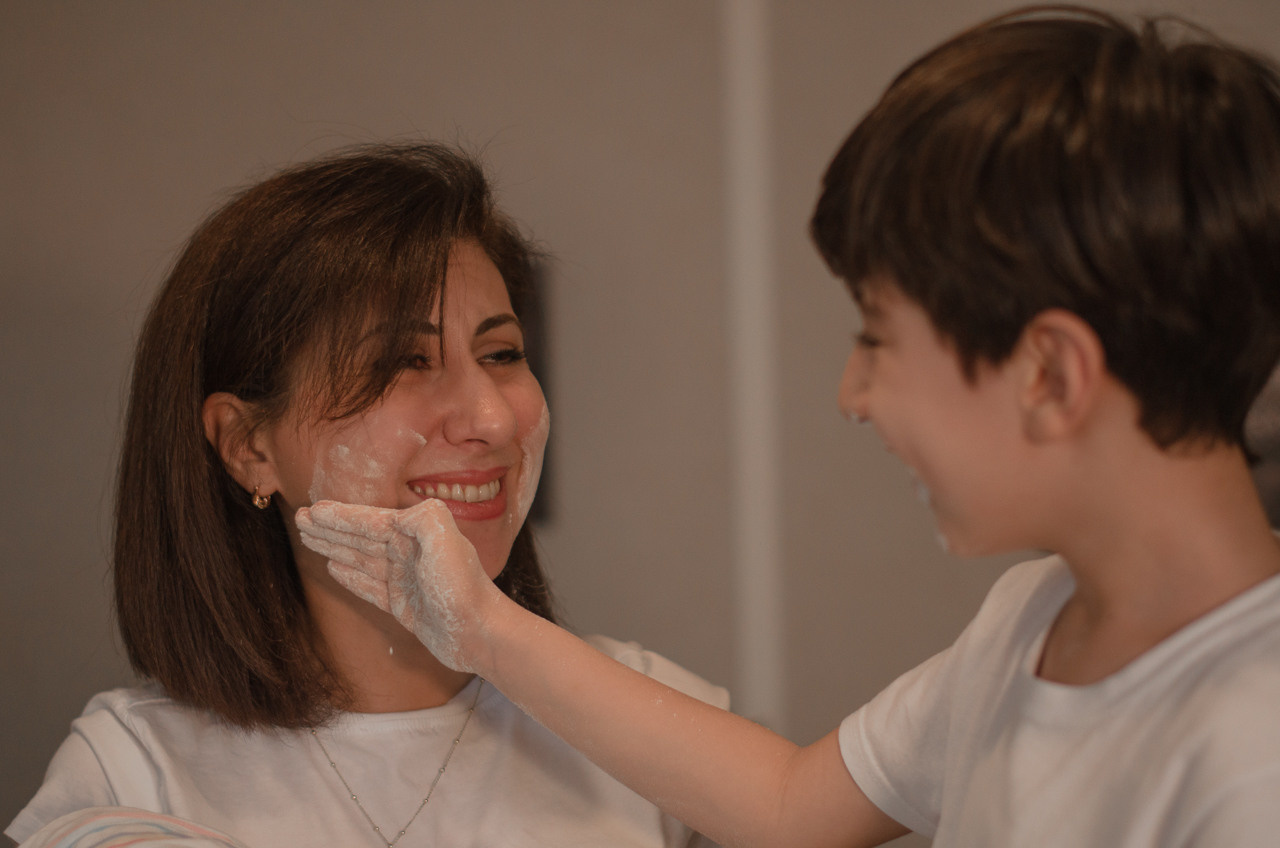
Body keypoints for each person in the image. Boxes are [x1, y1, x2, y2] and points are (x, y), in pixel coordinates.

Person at [296, 6, 1280, 847]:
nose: (852, 394)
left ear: (1049, 372)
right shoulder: (1033, 616)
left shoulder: (1248, 748)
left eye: (877, 338)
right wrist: (481, 627)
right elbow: (786, 802)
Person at [5, 143, 727, 848]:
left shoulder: (665, 723)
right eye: (404, 363)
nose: (493, 419)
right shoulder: (134, 771)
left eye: (502, 354)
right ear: (249, 447)